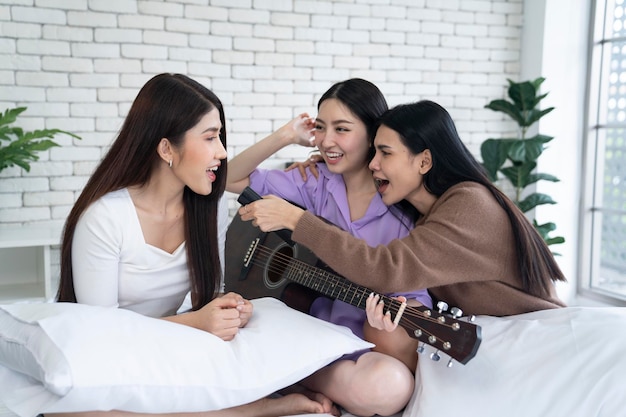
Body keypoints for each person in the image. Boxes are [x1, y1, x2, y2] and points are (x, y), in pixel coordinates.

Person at [54, 73, 336, 417]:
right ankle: (256, 409)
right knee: (82, 409)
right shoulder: (104, 219)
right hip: (113, 353)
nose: (221, 152)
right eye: (210, 137)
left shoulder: (208, 206)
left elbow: (207, 294)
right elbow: (103, 334)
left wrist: (227, 307)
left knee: (271, 331)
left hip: (173, 344)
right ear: (166, 149)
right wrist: (197, 323)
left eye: (220, 136)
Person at [239, 99, 567, 332]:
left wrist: (296, 220)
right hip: (495, 335)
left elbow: (386, 269)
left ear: (424, 161)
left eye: (385, 152)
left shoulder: (469, 203)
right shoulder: (425, 218)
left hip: (533, 336)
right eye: (374, 151)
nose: (372, 165)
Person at [226, 78, 432, 417]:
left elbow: (416, 297)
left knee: (391, 385)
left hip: (358, 344)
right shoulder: (315, 182)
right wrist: (287, 136)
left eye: (342, 129)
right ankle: (291, 379)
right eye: (321, 128)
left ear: (373, 136)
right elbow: (230, 179)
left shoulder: (400, 209)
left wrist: (393, 316)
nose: (327, 141)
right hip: (305, 328)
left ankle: (291, 380)